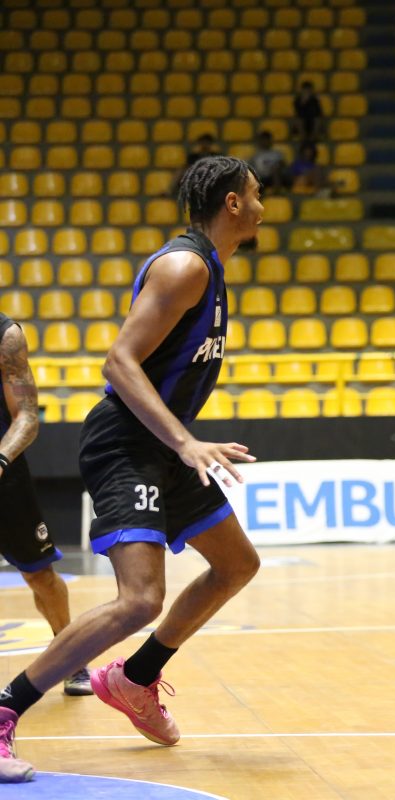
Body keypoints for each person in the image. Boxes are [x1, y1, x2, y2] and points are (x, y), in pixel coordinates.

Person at [0, 156, 264, 783]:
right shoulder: (186, 266)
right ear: (232, 203)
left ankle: (135, 678)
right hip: (126, 443)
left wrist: (180, 443)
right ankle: (5, 709)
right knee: (140, 599)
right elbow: (119, 361)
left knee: (236, 564)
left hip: (161, 446)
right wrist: (185, 442)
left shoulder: (211, 267)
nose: (262, 205)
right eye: (256, 194)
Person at [0, 315, 93, 697]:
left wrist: (1, 460)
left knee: (40, 575)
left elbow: (26, 416)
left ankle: (69, 656)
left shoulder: (6, 335)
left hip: (5, 475)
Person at [248, 130, 291, 195]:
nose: (266, 142)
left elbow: (284, 166)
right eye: (263, 140)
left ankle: (276, 192)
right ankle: (275, 194)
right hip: (263, 178)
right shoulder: (255, 156)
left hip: (277, 176)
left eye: (267, 139)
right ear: (260, 141)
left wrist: (278, 166)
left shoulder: (277, 154)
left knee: (276, 170)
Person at [292, 80, 325, 147]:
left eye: (308, 91)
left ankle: (312, 139)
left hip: (312, 123)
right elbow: (298, 113)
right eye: (305, 90)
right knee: (298, 120)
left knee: (317, 120)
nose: (307, 92)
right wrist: (303, 102)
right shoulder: (297, 101)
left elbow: (318, 114)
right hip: (302, 123)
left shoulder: (315, 101)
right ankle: (304, 139)